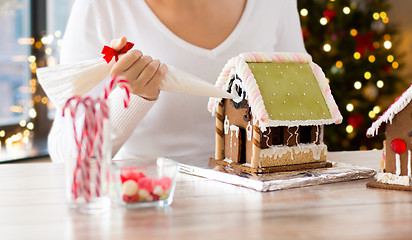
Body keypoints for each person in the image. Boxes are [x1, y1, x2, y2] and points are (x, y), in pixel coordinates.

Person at [48, 0, 306, 163]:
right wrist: (132, 98)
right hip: (144, 204)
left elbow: (302, 108)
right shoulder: (102, 7)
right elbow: (65, 155)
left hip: (260, 210)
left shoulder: (274, 4)